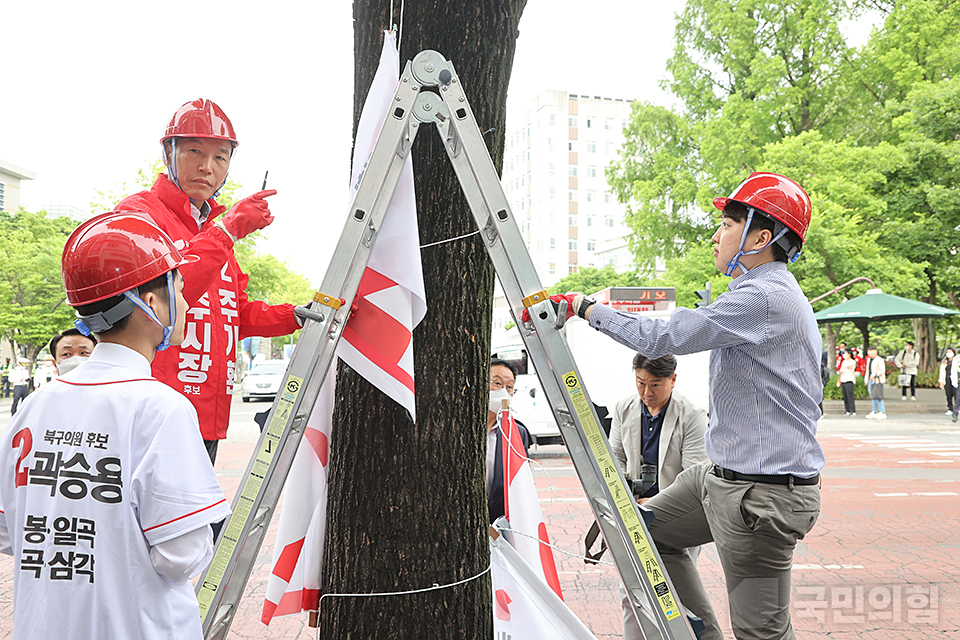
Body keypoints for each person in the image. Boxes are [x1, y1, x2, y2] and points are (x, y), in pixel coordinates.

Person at [536, 172, 823, 640]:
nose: (716, 234)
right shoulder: (764, 297)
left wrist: (583, 306)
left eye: (728, 224)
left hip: (760, 497)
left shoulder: (764, 298)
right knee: (643, 535)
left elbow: (661, 337)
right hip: (722, 478)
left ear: (762, 237)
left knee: (761, 634)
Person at [0, 211, 231, 639]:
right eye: (179, 288)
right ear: (152, 301)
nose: (186, 301)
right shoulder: (161, 409)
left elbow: (9, 532)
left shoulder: (34, 407)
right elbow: (180, 555)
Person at [116, 98, 304, 463]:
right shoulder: (138, 213)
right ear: (168, 153)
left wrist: (294, 315)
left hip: (207, 416)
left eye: (220, 157)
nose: (207, 167)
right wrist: (229, 230)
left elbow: (236, 315)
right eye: (194, 151)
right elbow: (163, 297)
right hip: (154, 413)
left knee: (197, 520)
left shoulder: (213, 233)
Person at [609, 353, 708, 640]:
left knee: (676, 597)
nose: (647, 392)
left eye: (655, 385)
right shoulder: (625, 408)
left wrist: (654, 504)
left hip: (676, 518)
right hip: (635, 516)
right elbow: (614, 460)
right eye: (641, 383)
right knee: (632, 592)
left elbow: (693, 476)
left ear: (673, 380)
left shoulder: (692, 415)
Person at [486, 358, 531, 523]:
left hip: (499, 527)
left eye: (509, 387)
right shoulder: (459, 428)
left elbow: (520, 486)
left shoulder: (517, 433)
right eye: (497, 383)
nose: (504, 391)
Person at [864, 347, 887, 420]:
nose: (869, 353)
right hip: (871, 380)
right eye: (869, 351)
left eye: (871, 351)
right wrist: (866, 379)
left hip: (877, 380)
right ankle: (874, 411)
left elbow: (882, 370)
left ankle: (882, 412)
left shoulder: (879, 359)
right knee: (873, 396)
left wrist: (874, 374)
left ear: (876, 351)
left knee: (878, 396)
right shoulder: (869, 359)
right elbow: (867, 370)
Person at [837, 349, 858, 416]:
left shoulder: (852, 362)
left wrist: (843, 367)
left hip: (849, 379)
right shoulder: (844, 362)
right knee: (845, 396)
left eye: (845, 353)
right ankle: (847, 410)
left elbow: (846, 367)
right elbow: (841, 370)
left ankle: (853, 410)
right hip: (843, 379)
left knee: (850, 396)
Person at [938, 348, 956, 415]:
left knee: (956, 395)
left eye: (950, 352)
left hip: (955, 380)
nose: (948, 353)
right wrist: (941, 381)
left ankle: (957, 408)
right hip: (947, 380)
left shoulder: (956, 361)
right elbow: (942, 372)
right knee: (948, 395)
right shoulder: (945, 362)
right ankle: (950, 408)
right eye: (947, 352)